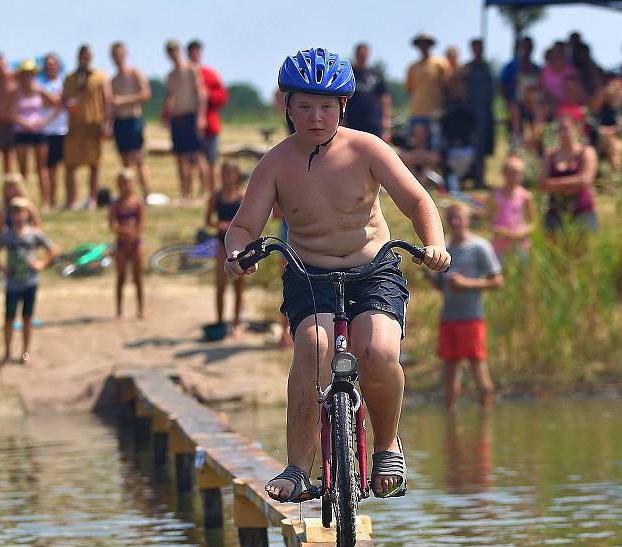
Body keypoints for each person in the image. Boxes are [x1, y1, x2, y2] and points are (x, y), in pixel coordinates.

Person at [224, 48, 450, 502]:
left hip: (373, 270)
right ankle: (296, 468)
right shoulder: (275, 162)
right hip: (309, 276)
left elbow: (417, 201)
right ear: (286, 107)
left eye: (326, 105)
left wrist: (435, 243)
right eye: (304, 105)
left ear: (343, 107)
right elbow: (245, 225)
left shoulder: (367, 148)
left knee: (377, 350)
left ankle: (387, 448)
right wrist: (237, 253)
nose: (315, 116)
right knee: (313, 348)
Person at [431, 204, 502, 408]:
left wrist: (466, 283)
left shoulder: (480, 247)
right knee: (450, 372)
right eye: (451, 218)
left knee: (478, 368)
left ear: (468, 219)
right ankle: (451, 422)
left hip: (472, 318)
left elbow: (497, 281)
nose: (455, 222)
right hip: (448, 318)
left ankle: (486, 416)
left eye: (459, 218)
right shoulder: (443, 248)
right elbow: (440, 285)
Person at [0, 196, 55, 366]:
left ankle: (25, 353)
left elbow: (52, 249)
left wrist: (42, 263)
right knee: (9, 319)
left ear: (27, 214)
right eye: (15, 212)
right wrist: (3, 268)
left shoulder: (34, 234)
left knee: (27, 318)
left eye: (21, 212)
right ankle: (7, 354)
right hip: (12, 284)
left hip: (29, 283)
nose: (18, 216)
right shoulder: (7, 235)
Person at [62, 45, 110, 209]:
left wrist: (107, 124)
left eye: (88, 55)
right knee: (70, 165)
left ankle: (92, 198)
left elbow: (107, 101)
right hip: (74, 126)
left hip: (93, 124)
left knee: (94, 164)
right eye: (82, 55)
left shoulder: (100, 77)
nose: (85, 58)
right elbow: (63, 100)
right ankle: (71, 200)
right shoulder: (69, 78)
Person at [163, 40, 207, 204]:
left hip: (191, 115)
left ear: (179, 51)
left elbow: (201, 94)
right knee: (180, 157)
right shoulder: (170, 75)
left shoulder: (191, 69)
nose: (173, 54)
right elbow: (170, 96)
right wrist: (167, 115)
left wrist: (201, 117)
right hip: (177, 117)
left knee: (197, 155)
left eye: (174, 50)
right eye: (169, 51)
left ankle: (203, 193)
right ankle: (185, 193)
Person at [539, 114, 598, 233]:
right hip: (555, 212)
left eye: (567, 129)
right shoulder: (550, 154)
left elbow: (585, 180)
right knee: (554, 250)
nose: (564, 133)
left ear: (576, 129)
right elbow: (542, 184)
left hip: (582, 212)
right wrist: (572, 184)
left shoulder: (587, 152)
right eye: (560, 129)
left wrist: (555, 184)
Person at [206, 160, 245, 337]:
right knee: (220, 286)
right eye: (225, 174)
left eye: (231, 174)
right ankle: (220, 321)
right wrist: (219, 224)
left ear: (236, 175)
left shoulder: (241, 197)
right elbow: (207, 221)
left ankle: (236, 323)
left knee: (239, 286)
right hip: (221, 243)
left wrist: (234, 226)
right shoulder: (216, 197)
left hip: (238, 245)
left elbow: (247, 221)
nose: (228, 178)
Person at [110, 41, 152, 200]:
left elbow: (146, 94)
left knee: (139, 158)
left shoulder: (135, 73)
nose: (117, 58)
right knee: (125, 161)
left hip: (133, 119)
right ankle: (129, 194)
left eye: (120, 54)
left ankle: (147, 193)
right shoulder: (113, 80)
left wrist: (123, 100)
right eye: (114, 55)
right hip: (119, 122)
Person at [188, 39, 229, 197]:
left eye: (197, 51)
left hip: (210, 123)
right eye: (192, 52)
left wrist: (208, 95)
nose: (195, 55)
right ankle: (202, 191)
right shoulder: (185, 74)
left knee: (211, 161)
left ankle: (214, 192)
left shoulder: (209, 74)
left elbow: (222, 96)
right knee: (195, 160)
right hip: (190, 124)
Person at [9, 59, 51, 208]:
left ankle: (46, 202)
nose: (28, 77)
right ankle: (24, 201)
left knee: (41, 168)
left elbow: (58, 104)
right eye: (25, 74)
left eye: (31, 74)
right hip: (21, 132)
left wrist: (45, 121)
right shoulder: (16, 92)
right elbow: (10, 113)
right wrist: (23, 122)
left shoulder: (39, 90)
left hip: (38, 132)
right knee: (23, 170)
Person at [108, 169, 145, 319]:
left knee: (138, 278)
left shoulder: (138, 202)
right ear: (118, 185)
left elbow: (142, 223)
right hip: (122, 244)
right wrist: (124, 232)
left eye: (129, 182)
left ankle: (141, 309)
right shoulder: (115, 204)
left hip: (135, 243)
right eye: (123, 183)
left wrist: (133, 233)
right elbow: (112, 225)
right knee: (121, 277)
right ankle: (119, 310)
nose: (126, 186)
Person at [487, 155, 535, 260]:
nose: (513, 176)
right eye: (510, 172)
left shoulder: (526, 196)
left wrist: (522, 231)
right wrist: (497, 230)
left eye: (517, 173)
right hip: (499, 243)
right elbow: (487, 219)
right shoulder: (494, 195)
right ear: (503, 173)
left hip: (519, 243)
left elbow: (533, 222)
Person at [590, 73, 622, 180]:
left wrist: (614, 130)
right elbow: (593, 109)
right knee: (608, 143)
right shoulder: (603, 98)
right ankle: (612, 177)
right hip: (602, 135)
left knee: (614, 146)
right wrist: (603, 93)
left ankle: (614, 177)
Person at [405, 33, 450, 140]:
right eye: (421, 44)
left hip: (435, 111)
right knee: (417, 144)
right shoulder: (412, 67)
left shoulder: (441, 63)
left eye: (426, 44)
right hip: (417, 111)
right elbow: (409, 89)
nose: (423, 47)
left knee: (436, 144)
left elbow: (447, 86)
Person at [344, 42, 391, 140]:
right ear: (355, 54)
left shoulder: (376, 74)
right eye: (360, 53)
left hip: (373, 121)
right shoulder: (348, 74)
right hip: (353, 120)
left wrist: (386, 120)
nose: (362, 56)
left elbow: (385, 98)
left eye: (364, 54)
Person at [38, 53, 67, 208]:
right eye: (48, 64)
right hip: (46, 131)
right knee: (47, 169)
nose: (51, 67)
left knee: (60, 168)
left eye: (53, 64)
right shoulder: (40, 83)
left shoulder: (64, 82)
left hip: (62, 130)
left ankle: (57, 199)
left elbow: (63, 102)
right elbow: (47, 102)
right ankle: (47, 199)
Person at [463, 39, 494, 188]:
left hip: (485, 111)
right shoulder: (467, 68)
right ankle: (474, 179)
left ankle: (480, 179)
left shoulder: (486, 67)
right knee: (474, 146)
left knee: (483, 147)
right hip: (472, 112)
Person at [0, 54, 17, 175]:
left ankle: (14, 184)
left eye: (3, 63)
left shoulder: (15, 79)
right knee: (2, 156)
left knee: (11, 157)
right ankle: (7, 183)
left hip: (12, 123)